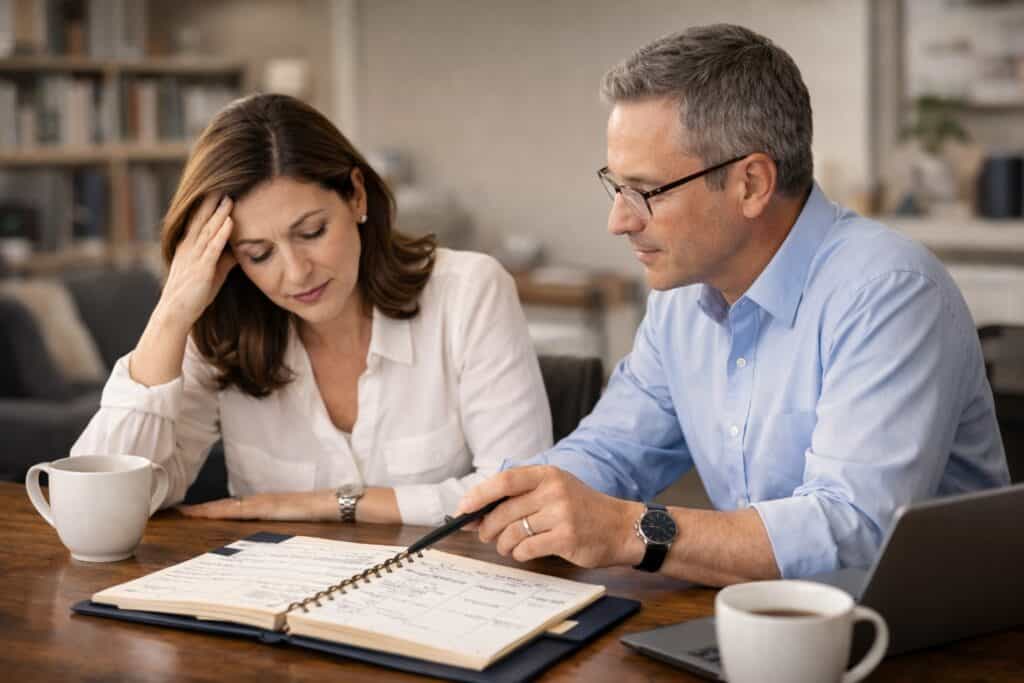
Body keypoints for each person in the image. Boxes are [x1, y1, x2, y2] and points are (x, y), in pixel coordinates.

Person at [457, 24, 1010, 584]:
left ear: (751, 183)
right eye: (615, 186)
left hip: (919, 642)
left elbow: (854, 530)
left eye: (646, 192)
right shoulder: (680, 300)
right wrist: (525, 492)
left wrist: (627, 530)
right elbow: (613, 452)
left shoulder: (890, 292)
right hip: (763, 623)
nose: (619, 220)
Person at [71, 93, 552, 526]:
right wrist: (171, 315)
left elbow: (523, 496)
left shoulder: (468, 292)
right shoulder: (223, 326)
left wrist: (327, 503)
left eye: (311, 232)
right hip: (276, 607)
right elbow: (99, 508)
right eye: (259, 254)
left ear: (357, 195)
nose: (296, 272)